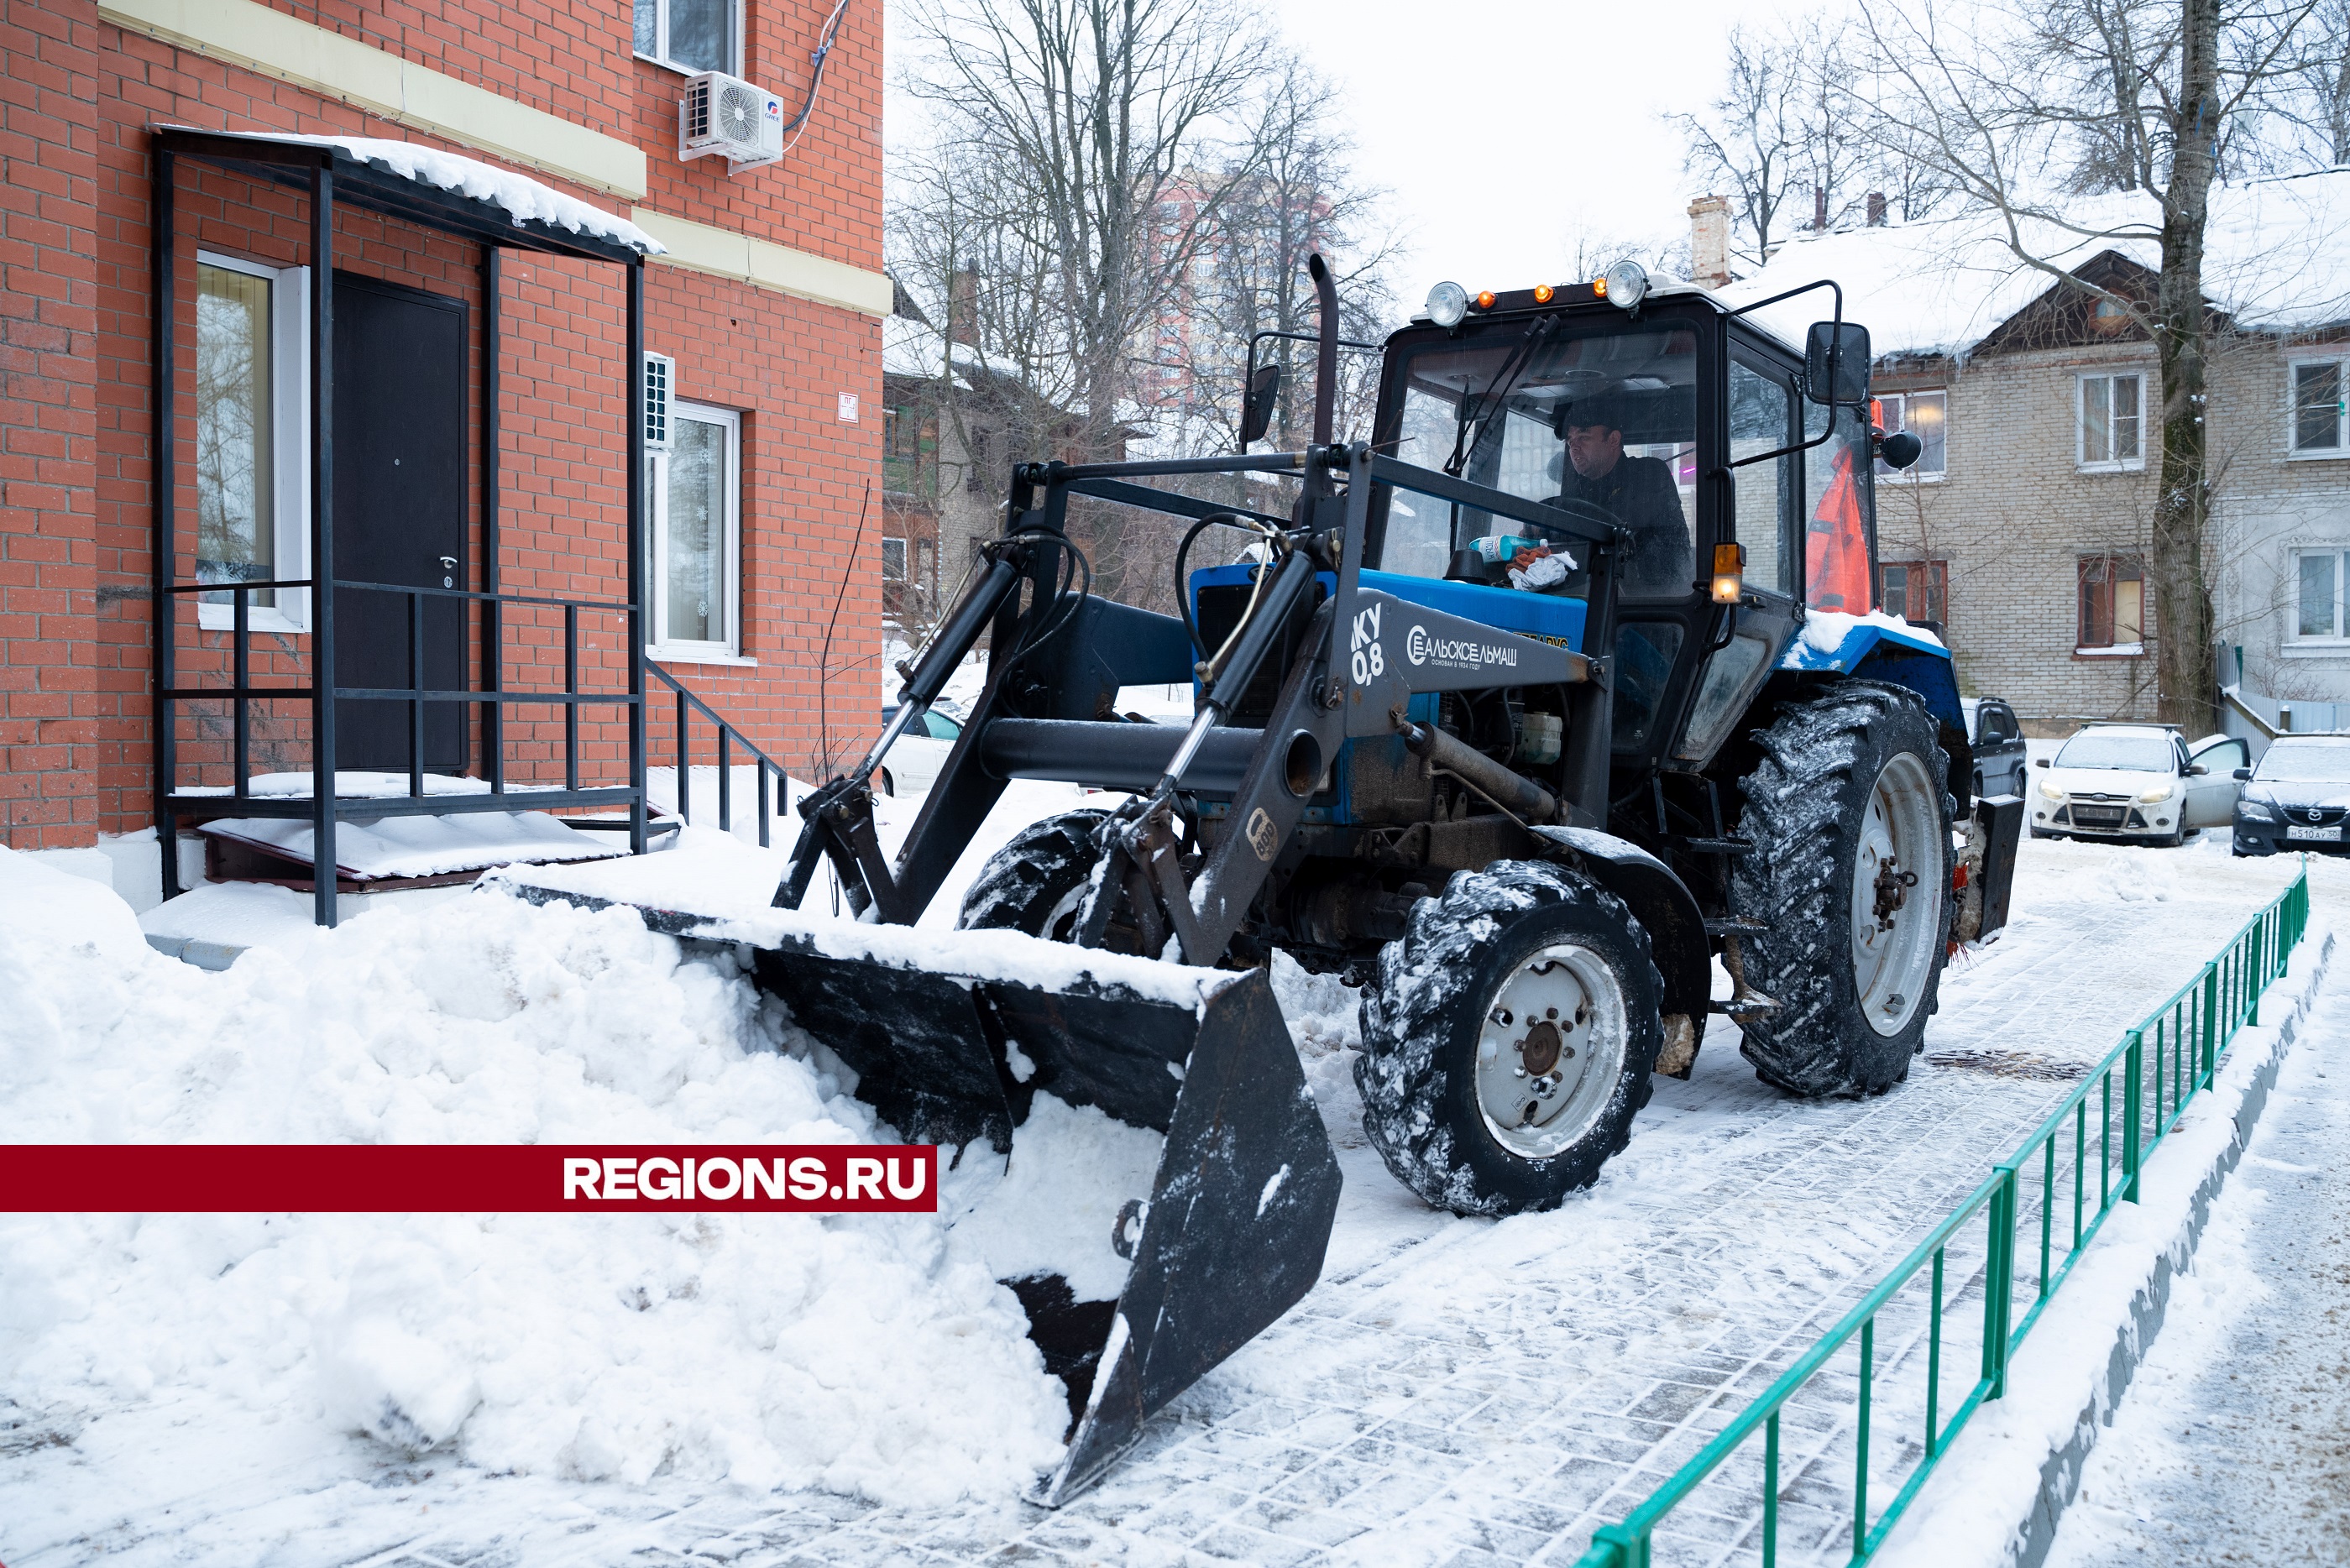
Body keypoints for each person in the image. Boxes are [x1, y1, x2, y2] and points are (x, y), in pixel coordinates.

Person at [1549, 397, 1692, 596]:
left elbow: (1622, 529)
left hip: (1654, 601)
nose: (1574, 447)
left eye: (1584, 437)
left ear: (1613, 440)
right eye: (1570, 441)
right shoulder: (1575, 492)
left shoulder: (1648, 475)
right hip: (1595, 597)